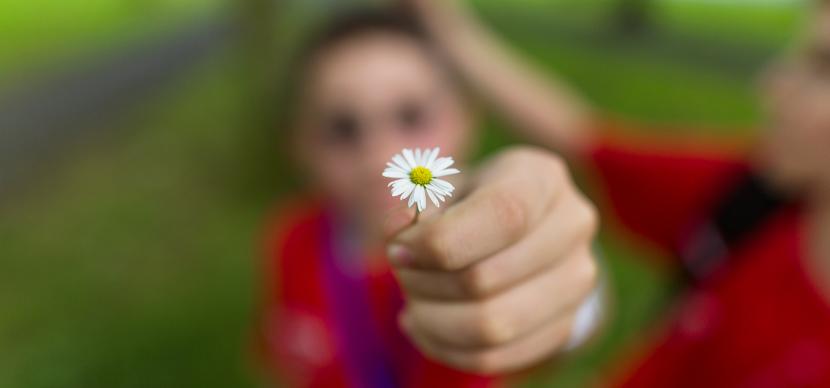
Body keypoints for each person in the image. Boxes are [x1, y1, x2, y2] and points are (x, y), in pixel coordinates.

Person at [402, 0, 830, 386]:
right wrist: (450, 29)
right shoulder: (749, 195)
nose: (773, 85)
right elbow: (579, 137)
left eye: (822, 67)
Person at [259, 7, 601, 388]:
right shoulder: (292, 238)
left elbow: (567, 318)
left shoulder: (480, 252)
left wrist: (565, 288)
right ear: (299, 144)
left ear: (466, 118)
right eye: (343, 129)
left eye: (411, 116)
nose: (379, 156)